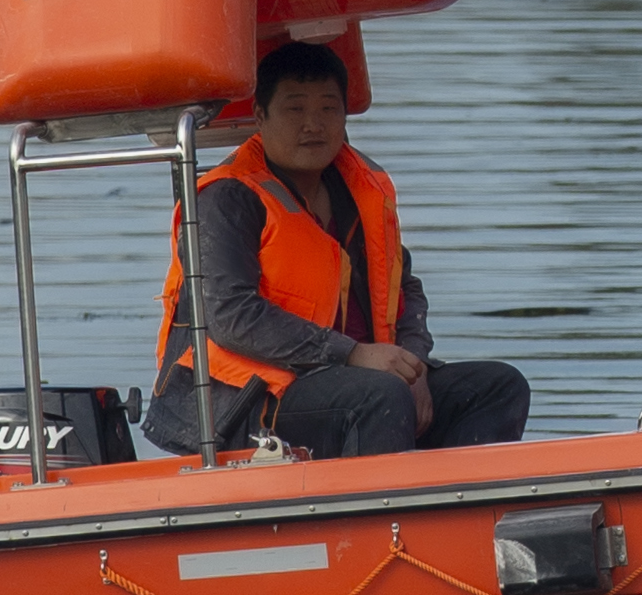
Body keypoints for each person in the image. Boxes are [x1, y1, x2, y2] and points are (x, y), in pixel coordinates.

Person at [150, 39, 530, 462]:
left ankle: (460, 515)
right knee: (379, 396)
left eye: (328, 109)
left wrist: (413, 367)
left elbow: (405, 288)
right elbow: (230, 317)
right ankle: (382, 519)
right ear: (261, 116)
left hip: (360, 378)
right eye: (295, 109)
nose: (313, 124)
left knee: (498, 385)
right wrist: (353, 354)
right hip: (246, 402)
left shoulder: (357, 192)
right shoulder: (227, 198)